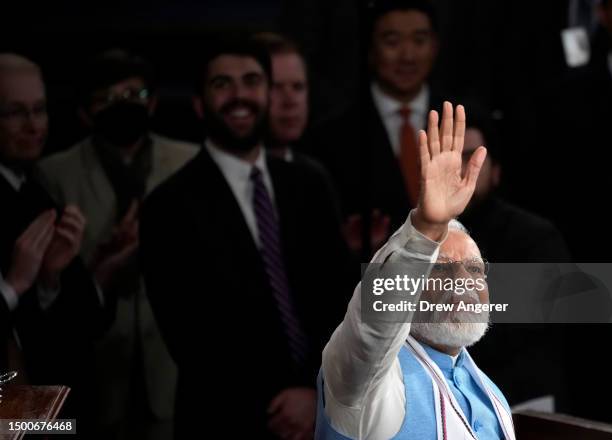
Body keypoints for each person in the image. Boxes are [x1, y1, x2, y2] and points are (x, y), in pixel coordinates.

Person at [140, 36, 351, 439]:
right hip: (227, 421)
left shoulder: (310, 183)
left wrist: (316, 390)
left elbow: (338, 298)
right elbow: (192, 339)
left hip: (326, 414)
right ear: (199, 103)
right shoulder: (168, 206)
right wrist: (285, 404)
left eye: (252, 81)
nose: (240, 96)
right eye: (223, 84)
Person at [316, 102, 516, 439]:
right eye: (439, 269)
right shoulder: (367, 381)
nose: (463, 282)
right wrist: (426, 227)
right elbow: (373, 326)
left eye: (474, 270)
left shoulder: (493, 396)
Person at [36, 49, 198, 440]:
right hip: (95, 360)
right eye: (107, 99)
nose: (122, 106)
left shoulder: (190, 161)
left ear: (154, 102)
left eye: (134, 95)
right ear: (84, 113)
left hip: (172, 358)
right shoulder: (53, 172)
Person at [0, 53, 105, 433]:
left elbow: (75, 331)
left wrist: (50, 281)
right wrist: (13, 285)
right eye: (14, 112)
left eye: (40, 110)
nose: (33, 126)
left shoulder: (34, 192)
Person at [308, 0, 445, 257]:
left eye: (419, 40)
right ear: (370, 49)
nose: (408, 56)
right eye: (392, 42)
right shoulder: (330, 138)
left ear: (435, 46)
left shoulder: (468, 122)